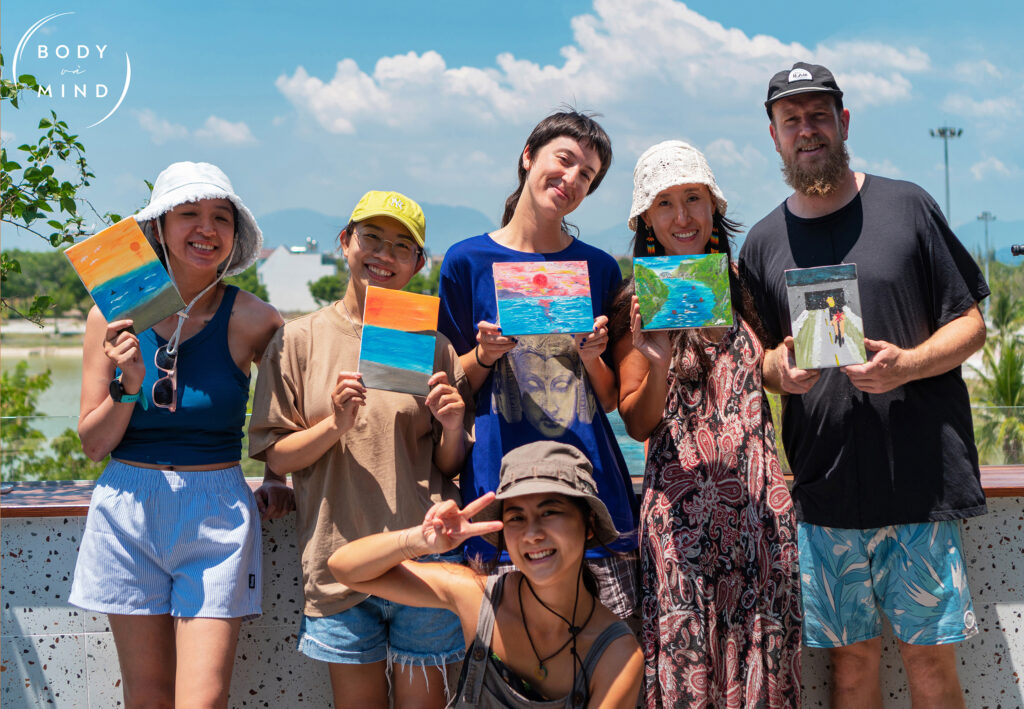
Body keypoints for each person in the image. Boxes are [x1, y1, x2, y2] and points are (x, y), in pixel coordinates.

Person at [739, 62, 989, 708]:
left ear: (843, 122)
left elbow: (972, 324)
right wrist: (780, 372)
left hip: (918, 489)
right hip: (824, 493)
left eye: (818, 115)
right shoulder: (762, 243)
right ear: (773, 135)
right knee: (850, 667)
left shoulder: (908, 206)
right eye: (791, 120)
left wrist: (904, 365)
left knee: (930, 664)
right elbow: (755, 359)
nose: (806, 130)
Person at [68, 161, 284, 708]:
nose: (206, 229)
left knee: (202, 701)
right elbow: (93, 444)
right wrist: (128, 386)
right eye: (188, 214)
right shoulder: (111, 317)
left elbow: (282, 412)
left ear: (235, 236)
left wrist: (278, 475)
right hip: (127, 506)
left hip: (218, 512)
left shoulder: (258, 320)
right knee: (146, 697)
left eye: (221, 217)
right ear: (158, 228)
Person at [247, 191, 473, 709]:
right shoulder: (297, 340)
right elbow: (276, 457)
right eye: (371, 237)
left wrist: (454, 426)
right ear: (345, 243)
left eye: (402, 246)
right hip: (335, 561)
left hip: (422, 560)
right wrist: (335, 424)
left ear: (420, 264)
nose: (384, 255)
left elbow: (449, 464)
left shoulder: (432, 344)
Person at [610, 141, 801, 707]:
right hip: (681, 527)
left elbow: (764, 370)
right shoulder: (635, 302)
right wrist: (661, 357)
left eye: (693, 198)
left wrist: (788, 367)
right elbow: (638, 423)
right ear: (646, 218)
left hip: (759, 512)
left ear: (714, 206)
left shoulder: (744, 285)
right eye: (665, 204)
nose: (682, 217)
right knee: (689, 674)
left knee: (763, 666)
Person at [437, 111, 641, 624]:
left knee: (608, 649)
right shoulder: (466, 261)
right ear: (529, 156)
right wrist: (483, 355)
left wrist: (593, 359)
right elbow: (449, 387)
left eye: (587, 176)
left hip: (588, 482)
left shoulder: (600, 267)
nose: (571, 179)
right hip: (499, 482)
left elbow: (612, 397)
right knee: (506, 660)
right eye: (564, 160)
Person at [327, 441, 644, 708]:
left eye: (550, 512)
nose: (532, 533)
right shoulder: (479, 597)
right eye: (517, 517)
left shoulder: (617, 654)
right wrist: (418, 540)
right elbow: (345, 568)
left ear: (588, 525)